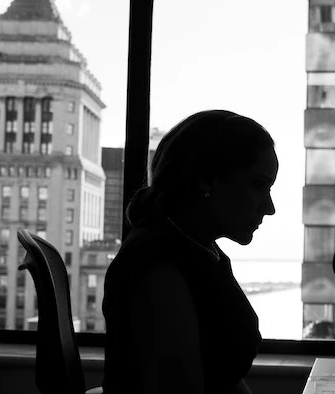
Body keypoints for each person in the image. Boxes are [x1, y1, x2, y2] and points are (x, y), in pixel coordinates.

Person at [101, 110, 278, 394]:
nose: (269, 208)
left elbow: (220, 377)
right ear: (207, 179)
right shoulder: (160, 270)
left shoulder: (197, 248)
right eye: (258, 185)